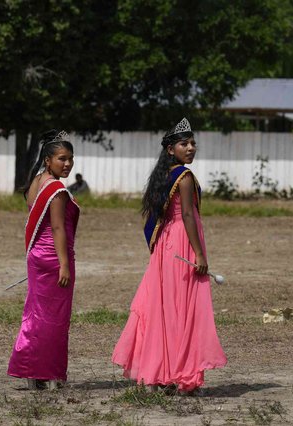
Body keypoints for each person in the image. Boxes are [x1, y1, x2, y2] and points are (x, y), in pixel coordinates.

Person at [111, 118, 227, 394]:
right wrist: (199, 253)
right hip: (183, 243)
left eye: (193, 143)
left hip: (166, 245)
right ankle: (181, 373)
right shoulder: (183, 177)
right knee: (182, 309)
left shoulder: (165, 175)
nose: (191, 148)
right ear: (170, 149)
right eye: (184, 144)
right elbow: (187, 214)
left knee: (164, 308)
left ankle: (161, 373)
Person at [8, 130, 80, 390]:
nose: (68, 164)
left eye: (71, 158)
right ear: (48, 160)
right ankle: (49, 374)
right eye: (62, 158)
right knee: (54, 318)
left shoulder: (37, 181)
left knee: (35, 315)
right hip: (54, 258)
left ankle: (31, 371)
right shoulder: (57, 189)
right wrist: (63, 264)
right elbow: (58, 228)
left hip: (37, 256)